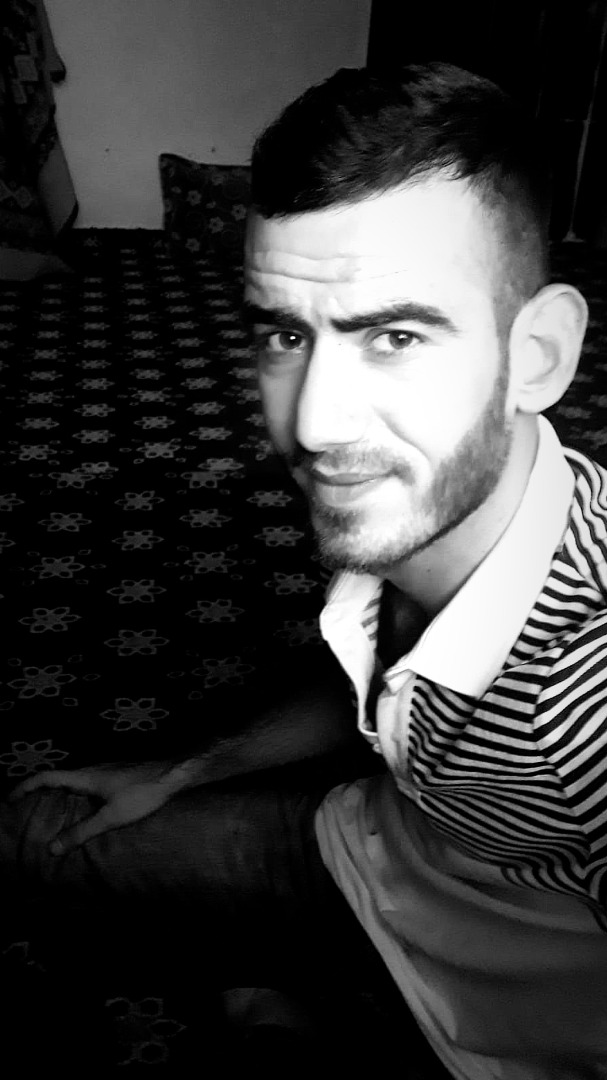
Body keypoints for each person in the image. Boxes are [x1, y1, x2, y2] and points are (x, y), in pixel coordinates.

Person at [2, 61, 606, 1077]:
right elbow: (368, 674)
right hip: (374, 852)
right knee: (33, 834)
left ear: (538, 353)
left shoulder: (585, 707)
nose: (315, 426)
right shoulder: (427, 507)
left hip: (497, 1022)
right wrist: (177, 773)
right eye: (287, 333)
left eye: (396, 336)